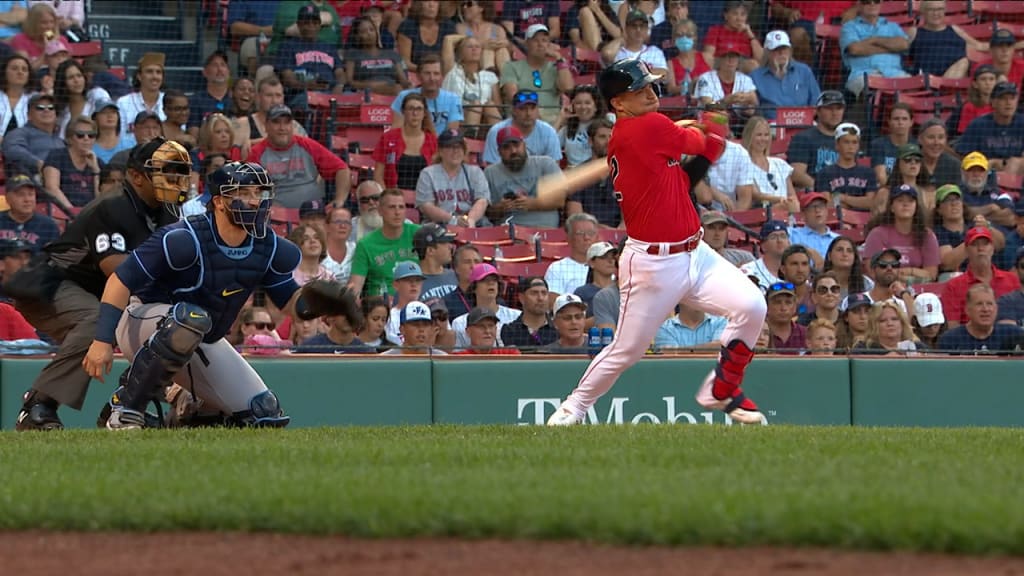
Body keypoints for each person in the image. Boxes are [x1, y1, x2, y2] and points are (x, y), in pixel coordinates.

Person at [546, 58, 766, 426]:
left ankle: (722, 387)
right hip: (653, 264)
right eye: (639, 90)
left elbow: (693, 169)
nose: (650, 93)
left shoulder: (647, 132)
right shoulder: (644, 128)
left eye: (650, 86)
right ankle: (573, 407)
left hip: (696, 252)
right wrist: (712, 124)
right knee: (627, 350)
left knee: (752, 307)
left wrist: (712, 136)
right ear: (618, 103)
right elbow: (701, 141)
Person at [82, 161, 356, 429]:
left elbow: (292, 305)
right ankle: (126, 407)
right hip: (142, 323)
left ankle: (188, 410)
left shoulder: (269, 246)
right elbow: (120, 280)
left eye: (258, 193)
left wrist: (320, 304)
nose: (253, 201)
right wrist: (102, 341)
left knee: (263, 413)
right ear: (219, 201)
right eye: (243, 193)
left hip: (204, 337)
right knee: (190, 319)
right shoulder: (184, 238)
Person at [12, 138, 191, 431]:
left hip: (95, 289)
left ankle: (124, 405)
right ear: (136, 176)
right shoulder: (112, 206)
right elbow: (116, 269)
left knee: (168, 322)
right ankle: (38, 405)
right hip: (49, 283)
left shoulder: (168, 211)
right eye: (165, 172)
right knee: (100, 319)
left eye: (178, 172)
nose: (175, 180)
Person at [247, 104, 350, 208]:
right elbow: (249, 190)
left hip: (312, 213)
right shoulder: (257, 153)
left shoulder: (307, 145)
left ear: (292, 125)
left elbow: (342, 169)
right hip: (275, 216)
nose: (282, 128)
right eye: (276, 122)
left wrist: (339, 200)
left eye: (287, 123)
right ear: (266, 126)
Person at [483, 125, 562, 228]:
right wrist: (500, 209)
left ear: (524, 145)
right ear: (499, 152)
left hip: (545, 230)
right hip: (508, 232)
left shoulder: (546, 163)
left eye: (516, 145)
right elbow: (486, 212)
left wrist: (533, 204)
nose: (513, 151)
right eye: (506, 147)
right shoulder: (490, 173)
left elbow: (560, 200)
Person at [941, 226, 1021, 327]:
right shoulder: (953, 286)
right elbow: (953, 327)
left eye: (985, 244)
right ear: (966, 250)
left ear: (992, 248)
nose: (981, 249)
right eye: (975, 244)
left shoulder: (1013, 280)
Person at [347, 188, 419, 298]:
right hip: (381, 307)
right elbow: (355, 287)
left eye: (401, 207)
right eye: (391, 207)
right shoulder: (366, 245)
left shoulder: (418, 234)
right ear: (380, 210)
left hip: (416, 302)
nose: (397, 212)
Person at [862, 184, 940, 284]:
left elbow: (931, 275)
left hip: (919, 291)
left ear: (916, 207)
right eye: (900, 200)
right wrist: (914, 273)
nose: (905, 204)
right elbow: (873, 272)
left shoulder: (927, 236)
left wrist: (903, 274)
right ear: (891, 207)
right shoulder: (877, 234)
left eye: (910, 201)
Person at [499, 23, 574, 126]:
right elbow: (514, 97)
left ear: (549, 44)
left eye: (544, 40)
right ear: (526, 44)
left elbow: (568, 87)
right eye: (535, 40)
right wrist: (536, 117)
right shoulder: (511, 67)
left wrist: (559, 58)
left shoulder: (556, 67)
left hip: (554, 119)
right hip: (524, 117)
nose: (540, 44)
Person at [415, 128, 489, 227]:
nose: (455, 151)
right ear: (440, 151)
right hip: (439, 224)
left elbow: (482, 201)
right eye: (450, 147)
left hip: (471, 222)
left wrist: (471, 220)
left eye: (459, 147)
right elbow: (426, 206)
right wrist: (452, 220)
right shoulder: (428, 174)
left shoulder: (475, 172)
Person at [839, 0, 910, 98]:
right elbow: (855, 49)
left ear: (880, 4)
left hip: (895, 74)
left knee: (912, 86)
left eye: (876, 1)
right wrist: (890, 48)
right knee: (867, 90)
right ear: (859, 5)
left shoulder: (892, 26)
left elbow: (903, 45)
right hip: (864, 75)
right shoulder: (849, 27)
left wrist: (874, 39)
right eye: (867, 2)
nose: (872, 4)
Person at [955, 82, 1024, 173]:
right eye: (1003, 98)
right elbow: (963, 157)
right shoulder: (978, 125)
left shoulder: (1022, 123)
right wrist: (989, 163)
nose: (1008, 103)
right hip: (984, 175)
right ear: (993, 102)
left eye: (1012, 98)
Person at [373, 92, 438, 190]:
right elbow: (378, 176)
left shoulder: (432, 140)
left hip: (424, 200)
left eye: (419, 109)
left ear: (424, 113)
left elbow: (437, 177)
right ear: (403, 111)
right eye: (411, 108)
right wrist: (387, 197)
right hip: (394, 199)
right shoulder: (388, 137)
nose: (415, 113)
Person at [564, 119, 622, 228]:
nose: (608, 141)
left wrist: (614, 234)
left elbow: (629, 219)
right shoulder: (578, 174)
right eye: (602, 137)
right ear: (590, 141)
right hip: (586, 233)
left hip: (619, 237)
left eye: (611, 137)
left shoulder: (625, 174)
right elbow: (575, 216)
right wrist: (599, 230)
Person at [751, 30, 820, 119]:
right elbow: (752, 109)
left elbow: (817, 102)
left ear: (790, 50)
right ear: (767, 53)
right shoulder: (755, 77)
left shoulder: (804, 71)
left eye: (784, 49)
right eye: (776, 50)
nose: (781, 53)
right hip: (771, 127)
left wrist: (805, 118)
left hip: (804, 125)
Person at [482, 90, 562, 165]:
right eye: (522, 109)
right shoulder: (496, 132)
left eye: (532, 108)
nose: (528, 113)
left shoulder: (549, 132)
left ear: (538, 110)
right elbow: (492, 169)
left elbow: (554, 167)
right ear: (513, 110)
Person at [937, 284, 1022, 354]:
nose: (985, 309)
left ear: (996, 309)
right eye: (979, 304)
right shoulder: (950, 339)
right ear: (967, 310)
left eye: (989, 304)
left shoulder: (1012, 334)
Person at [390, 53, 463, 135]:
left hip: (442, 145)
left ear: (442, 76)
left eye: (436, 73)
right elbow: (396, 130)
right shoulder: (404, 96)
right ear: (418, 76)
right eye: (427, 73)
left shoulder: (453, 99)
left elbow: (452, 133)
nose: (432, 78)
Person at [787, 90, 845, 191]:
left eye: (838, 108)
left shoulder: (847, 140)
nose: (834, 113)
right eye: (829, 108)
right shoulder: (803, 138)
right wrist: (824, 189)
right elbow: (797, 174)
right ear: (817, 111)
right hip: (813, 193)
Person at [441, 36, 502, 129]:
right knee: (476, 104)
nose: (474, 49)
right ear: (461, 52)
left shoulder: (489, 76)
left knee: (490, 105)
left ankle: (499, 135)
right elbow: (448, 39)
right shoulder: (453, 70)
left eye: (477, 47)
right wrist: (469, 37)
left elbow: (498, 106)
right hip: (457, 119)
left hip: (485, 120)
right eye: (469, 46)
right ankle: (470, 136)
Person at [42, 114, 101, 209]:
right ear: (70, 138)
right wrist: (73, 213)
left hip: (90, 216)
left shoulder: (98, 162)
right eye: (80, 135)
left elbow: (101, 198)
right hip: (62, 214)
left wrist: (96, 171)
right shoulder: (57, 156)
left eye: (91, 135)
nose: (86, 138)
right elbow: (51, 188)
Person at [815, 122, 877, 212]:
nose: (851, 147)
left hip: (862, 221)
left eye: (854, 142)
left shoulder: (868, 173)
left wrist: (843, 198)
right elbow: (826, 203)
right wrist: (857, 203)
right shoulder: (825, 173)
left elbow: (871, 203)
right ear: (837, 145)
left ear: (858, 146)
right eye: (846, 142)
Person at [742, 115, 798, 209]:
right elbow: (756, 195)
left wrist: (791, 202)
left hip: (786, 206)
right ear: (749, 136)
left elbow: (792, 195)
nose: (763, 139)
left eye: (766, 135)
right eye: (759, 135)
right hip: (762, 210)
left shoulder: (780, 164)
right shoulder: (744, 165)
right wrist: (781, 200)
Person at [0, 173, 59, 248]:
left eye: (31, 194)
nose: (27, 200)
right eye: (21, 195)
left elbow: (54, 257)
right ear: (8, 198)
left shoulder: (48, 226)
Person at [555, 85, 608, 169]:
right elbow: (547, 144)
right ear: (573, 106)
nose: (583, 107)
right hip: (574, 174)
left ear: (596, 106)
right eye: (578, 103)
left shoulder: (608, 122)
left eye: (587, 103)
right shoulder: (567, 129)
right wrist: (561, 118)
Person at [397, 0, 456, 73]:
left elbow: (451, 60)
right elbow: (405, 63)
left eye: (435, 1)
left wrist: (438, 72)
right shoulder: (408, 26)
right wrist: (427, 72)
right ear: (418, 4)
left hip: (443, 74)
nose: (431, 5)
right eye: (426, 1)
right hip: (414, 73)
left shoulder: (448, 26)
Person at [501, 275, 558, 351]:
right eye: (534, 293)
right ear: (522, 298)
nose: (540, 298)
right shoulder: (509, 331)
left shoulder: (559, 330)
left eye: (544, 293)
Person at [116, 52, 166, 138]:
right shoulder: (123, 102)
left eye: (158, 72)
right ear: (139, 76)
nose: (155, 76)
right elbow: (120, 136)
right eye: (149, 72)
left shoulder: (169, 101)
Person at [451, 0, 510, 73]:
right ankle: (491, 78)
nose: (464, 7)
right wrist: (484, 45)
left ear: (481, 7)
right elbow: (462, 51)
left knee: (502, 50)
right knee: (487, 52)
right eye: (463, 5)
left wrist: (503, 43)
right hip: (471, 67)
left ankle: (507, 80)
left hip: (497, 68)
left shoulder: (497, 29)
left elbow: (507, 49)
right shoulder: (460, 28)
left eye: (469, 4)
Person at [875, 143, 933, 213]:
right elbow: (877, 220)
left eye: (917, 160)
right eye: (908, 159)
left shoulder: (928, 194)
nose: (913, 162)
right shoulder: (885, 194)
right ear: (898, 163)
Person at [850, 300, 923, 355]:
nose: (890, 324)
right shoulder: (863, 349)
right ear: (874, 325)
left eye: (894, 319)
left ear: (902, 323)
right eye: (883, 321)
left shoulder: (917, 347)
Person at [654, 297, 727, 352]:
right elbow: (671, 357)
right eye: (693, 295)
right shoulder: (665, 329)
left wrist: (683, 350)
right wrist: (708, 347)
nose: (699, 298)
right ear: (679, 298)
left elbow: (720, 348)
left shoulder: (720, 322)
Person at [869, 103, 913, 188]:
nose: (900, 123)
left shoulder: (916, 146)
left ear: (911, 122)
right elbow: (882, 179)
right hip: (886, 190)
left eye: (904, 119)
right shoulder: (879, 145)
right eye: (896, 119)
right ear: (889, 121)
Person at [379, 300, 448, 355]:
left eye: (426, 325)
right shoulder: (387, 359)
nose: (421, 329)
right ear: (402, 329)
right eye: (416, 324)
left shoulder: (442, 359)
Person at [454, 306, 522, 355]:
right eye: (481, 326)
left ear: (496, 329)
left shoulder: (509, 355)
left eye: (491, 326)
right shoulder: (457, 359)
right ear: (468, 332)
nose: (487, 331)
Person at [740, 220, 789, 288]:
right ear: (763, 245)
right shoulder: (749, 270)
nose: (779, 240)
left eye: (783, 236)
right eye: (773, 237)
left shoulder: (795, 270)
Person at [0, 53, 33, 140]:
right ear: (4, 72)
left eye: (24, 69)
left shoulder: (35, 99)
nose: (20, 72)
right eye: (14, 68)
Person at [957, 64, 996, 136]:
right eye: (983, 79)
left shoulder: (1000, 105)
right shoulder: (969, 107)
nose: (988, 83)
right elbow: (965, 134)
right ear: (975, 84)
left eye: (991, 79)